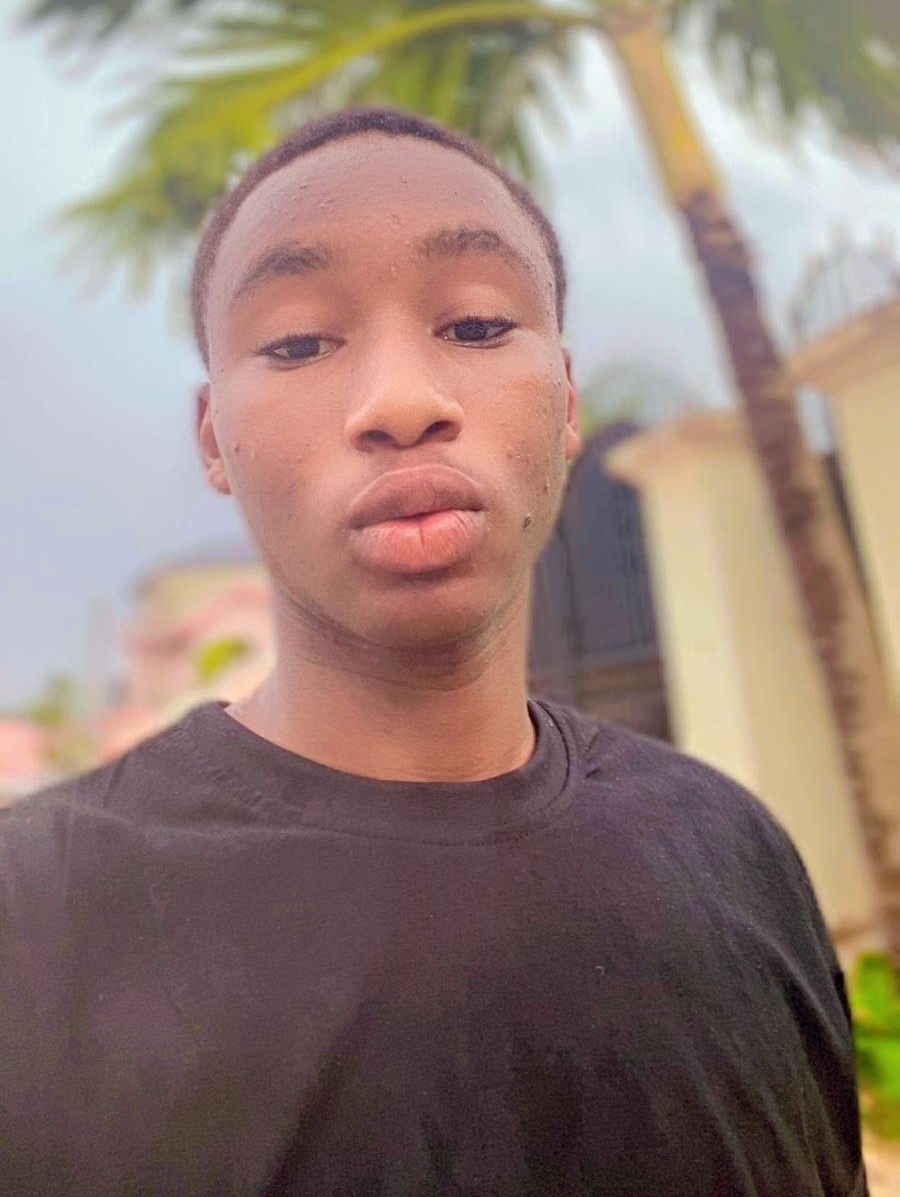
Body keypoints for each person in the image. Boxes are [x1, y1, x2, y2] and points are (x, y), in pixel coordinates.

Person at [1, 106, 867, 1196]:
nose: (402, 402)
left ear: (566, 402)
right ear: (215, 437)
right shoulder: (37, 917)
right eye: (299, 342)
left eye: (476, 324)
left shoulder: (734, 848)